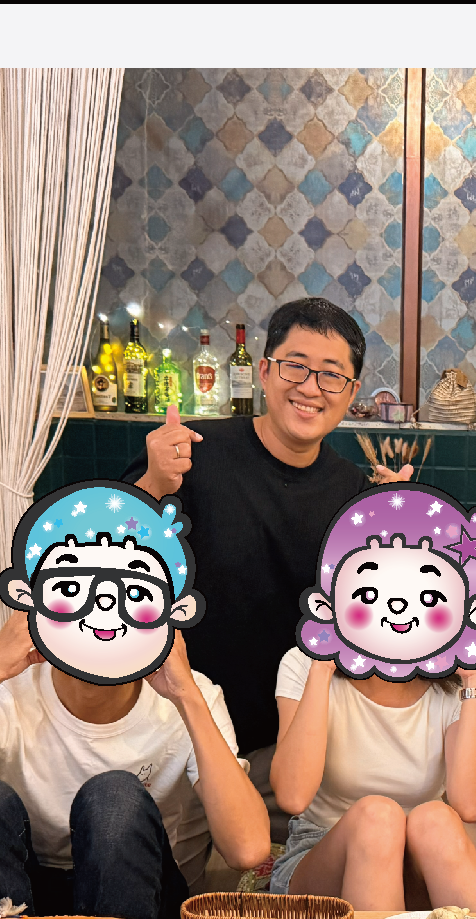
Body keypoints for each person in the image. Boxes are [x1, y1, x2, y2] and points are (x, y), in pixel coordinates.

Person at [125, 297, 379, 843]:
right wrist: (152, 483)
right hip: (183, 734)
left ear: (351, 392)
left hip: (290, 743)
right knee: (175, 887)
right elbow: (106, 552)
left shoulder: (353, 494)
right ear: (264, 371)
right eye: (295, 366)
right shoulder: (194, 454)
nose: (311, 387)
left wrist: (400, 518)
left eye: (332, 375)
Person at [0, 612, 269, 919]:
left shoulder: (189, 695)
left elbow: (247, 850)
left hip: (141, 897)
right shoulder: (2, 689)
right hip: (26, 896)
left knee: (114, 796)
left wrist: (186, 696)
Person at [267, 487, 476, 912]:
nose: (398, 608)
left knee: (436, 817)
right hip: (320, 854)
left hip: (418, 858)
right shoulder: (303, 664)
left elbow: (471, 805)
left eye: (427, 597)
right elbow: (292, 796)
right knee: (379, 817)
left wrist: (474, 677)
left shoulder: (452, 683)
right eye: (372, 592)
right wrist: (323, 666)